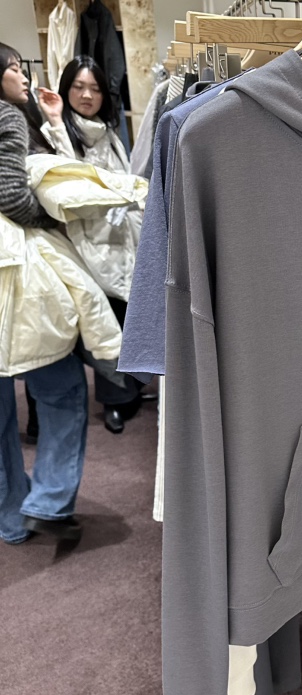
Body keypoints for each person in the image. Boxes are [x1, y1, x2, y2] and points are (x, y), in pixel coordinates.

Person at [0, 43, 86, 543]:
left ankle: (11, 519)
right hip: (16, 279)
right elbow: (13, 193)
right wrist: (51, 220)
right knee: (61, 388)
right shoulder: (7, 117)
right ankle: (49, 500)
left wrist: (51, 119)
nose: (24, 77)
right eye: (14, 68)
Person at [38, 56, 147, 435]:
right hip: (88, 241)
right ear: (66, 89)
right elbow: (68, 187)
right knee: (105, 323)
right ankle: (115, 400)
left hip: (124, 235)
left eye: (95, 88)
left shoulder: (108, 131)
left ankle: (133, 388)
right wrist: (56, 121)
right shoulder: (57, 133)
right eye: (79, 87)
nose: (87, 95)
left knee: (129, 318)